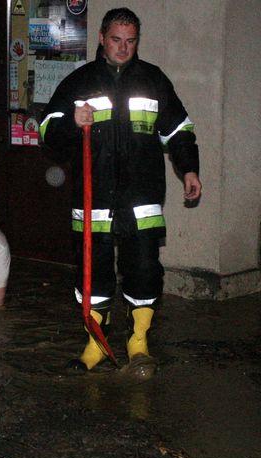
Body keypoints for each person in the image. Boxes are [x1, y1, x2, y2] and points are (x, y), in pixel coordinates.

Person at [39, 7, 203, 372]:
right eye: (116, 39)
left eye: (130, 41)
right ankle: (95, 344)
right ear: (101, 38)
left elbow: (179, 131)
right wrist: (69, 123)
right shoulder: (79, 82)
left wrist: (189, 168)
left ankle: (138, 342)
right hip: (93, 198)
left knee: (144, 269)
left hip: (141, 199)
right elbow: (47, 132)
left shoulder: (154, 80)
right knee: (92, 275)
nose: (123, 48)